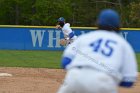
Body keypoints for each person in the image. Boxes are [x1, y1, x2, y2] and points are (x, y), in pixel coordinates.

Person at [57, 9, 138, 93]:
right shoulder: (124, 44)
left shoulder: (86, 37)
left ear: (98, 23)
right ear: (119, 26)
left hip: (75, 78)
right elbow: (128, 81)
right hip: (103, 82)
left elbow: (65, 62)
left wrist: (80, 73)